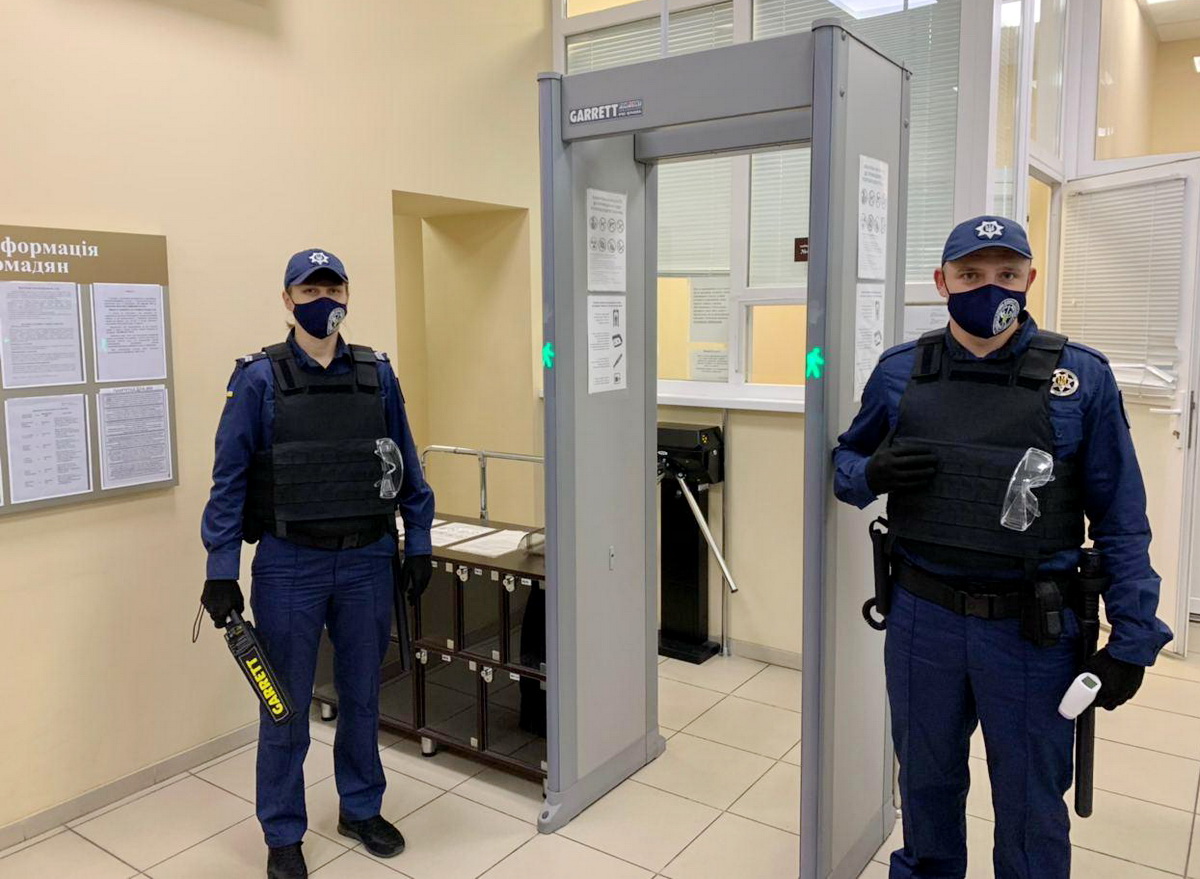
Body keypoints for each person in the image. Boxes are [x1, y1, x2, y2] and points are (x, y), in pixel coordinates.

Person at [833, 216, 1172, 879]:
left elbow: (1122, 519)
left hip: (1031, 629)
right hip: (923, 618)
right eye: (971, 275)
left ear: (1029, 279)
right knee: (925, 789)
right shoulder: (902, 372)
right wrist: (872, 472)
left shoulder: (1081, 377)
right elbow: (845, 465)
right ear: (942, 283)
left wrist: (1133, 639)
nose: (990, 288)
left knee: (1030, 810)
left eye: (1006, 274)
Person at [200, 248, 435, 879]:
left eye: (333, 289)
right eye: (309, 291)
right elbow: (229, 479)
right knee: (284, 707)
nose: (323, 300)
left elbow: (406, 462)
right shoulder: (258, 380)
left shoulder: (376, 374)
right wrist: (221, 567)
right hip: (289, 564)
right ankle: (283, 833)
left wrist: (419, 540)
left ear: (347, 295)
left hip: (368, 559)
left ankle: (360, 808)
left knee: (362, 695)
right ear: (288, 300)